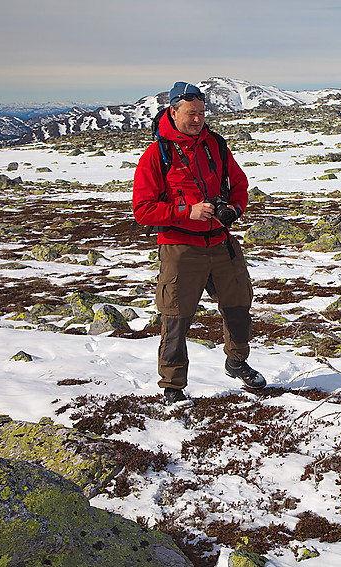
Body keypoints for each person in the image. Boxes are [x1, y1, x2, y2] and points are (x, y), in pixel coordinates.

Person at [133, 81, 265, 406]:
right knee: (175, 317)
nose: (197, 120)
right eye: (191, 113)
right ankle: (173, 386)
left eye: (202, 113)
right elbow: (142, 210)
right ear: (173, 112)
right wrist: (186, 212)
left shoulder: (215, 145)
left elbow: (239, 184)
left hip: (220, 241)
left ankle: (236, 361)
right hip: (180, 246)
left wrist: (234, 208)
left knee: (239, 305)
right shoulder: (156, 155)